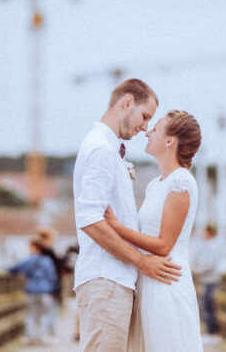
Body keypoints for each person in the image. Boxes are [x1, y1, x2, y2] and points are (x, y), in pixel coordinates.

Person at [73, 78, 182, 351]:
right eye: (145, 116)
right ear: (127, 102)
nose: (145, 127)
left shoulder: (107, 148)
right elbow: (89, 219)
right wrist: (140, 261)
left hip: (112, 280)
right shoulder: (101, 149)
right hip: (106, 278)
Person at [104, 109, 204, 351]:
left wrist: (116, 227)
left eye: (155, 129)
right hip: (149, 279)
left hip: (167, 280)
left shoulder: (181, 182)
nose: (148, 132)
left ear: (170, 141)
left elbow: (163, 245)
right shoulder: (155, 185)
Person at [8, 237, 59, 345]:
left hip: (32, 291)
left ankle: (30, 338)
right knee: (44, 314)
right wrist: (54, 290)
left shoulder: (29, 260)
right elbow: (53, 277)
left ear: (34, 247)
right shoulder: (47, 261)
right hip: (46, 291)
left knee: (31, 314)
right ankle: (42, 338)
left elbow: (14, 268)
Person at [192, 225, 222, 338]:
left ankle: (212, 333)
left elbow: (209, 264)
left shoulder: (211, 246)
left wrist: (196, 269)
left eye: (204, 232)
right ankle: (211, 333)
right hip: (209, 280)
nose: (202, 234)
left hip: (210, 281)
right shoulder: (211, 245)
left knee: (208, 307)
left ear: (209, 232)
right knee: (207, 307)